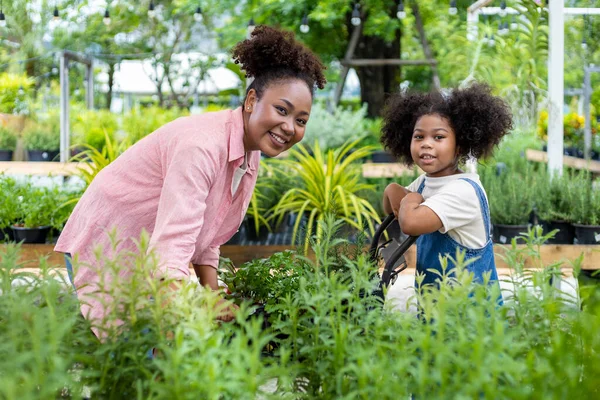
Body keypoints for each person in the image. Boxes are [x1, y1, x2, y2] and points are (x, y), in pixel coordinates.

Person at [55, 25, 327, 333]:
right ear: (251, 101)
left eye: (301, 120)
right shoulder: (202, 145)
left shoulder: (248, 157)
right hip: (110, 245)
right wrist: (194, 306)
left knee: (160, 358)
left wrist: (212, 294)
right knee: (138, 364)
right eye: (282, 110)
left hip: (150, 253)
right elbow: (173, 244)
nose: (290, 127)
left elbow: (207, 235)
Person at [380, 83, 512, 298]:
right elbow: (390, 208)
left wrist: (409, 198)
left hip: (468, 316)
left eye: (438, 137)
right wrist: (392, 189)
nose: (426, 144)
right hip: (436, 311)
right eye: (419, 136)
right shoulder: (426, 181)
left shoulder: (463, 191)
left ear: (459, 145)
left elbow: (410, 222)